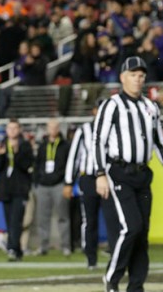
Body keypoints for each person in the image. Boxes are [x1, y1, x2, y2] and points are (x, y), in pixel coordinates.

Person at [93, 56, 163, 292]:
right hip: (119, 171)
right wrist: (100, 173)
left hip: (143, 174)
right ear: (123, 77)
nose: (138, 79)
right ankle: (112, 278)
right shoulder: (112, 105)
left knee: (142, 233)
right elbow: (98, 139)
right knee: (131, 227)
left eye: (141, 76)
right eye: (133, 75)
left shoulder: (150, 107)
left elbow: (159, 142)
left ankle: (136, 286)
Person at [63, 101, 102, 269]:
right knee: (89, 219)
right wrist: (69, 181)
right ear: (94, 111)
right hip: (89, 179)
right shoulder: (84, 130)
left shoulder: (116, 128)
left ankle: (118, 255)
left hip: (110, 177)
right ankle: (91, 257)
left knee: (115, 218)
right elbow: (74, 156)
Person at [0, 118, 34, 261]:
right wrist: (0, 155)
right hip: (6, 189)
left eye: (15, 128)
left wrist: (16, 152)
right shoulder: (1, 144)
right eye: (10, 128)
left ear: (19, 129)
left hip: (20, 188)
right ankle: (17, 250)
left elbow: (27, 165)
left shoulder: (25, 145)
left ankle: (12, 248)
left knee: (16, 220)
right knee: (9, 221)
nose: (12, 131)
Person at [34, 119, 71, 256]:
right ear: (47, 129)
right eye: (50, 127)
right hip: (43, 185)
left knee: (63, 216)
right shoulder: (43, 145)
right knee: (42, 217)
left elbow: (69, 164)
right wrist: (37, 180)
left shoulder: (65, 145)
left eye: (55, 127)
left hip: (59, 184)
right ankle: (43, 246)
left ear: (59, 128)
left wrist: (66, 181)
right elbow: (37, 163)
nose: (53, 130)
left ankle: (66, 246)